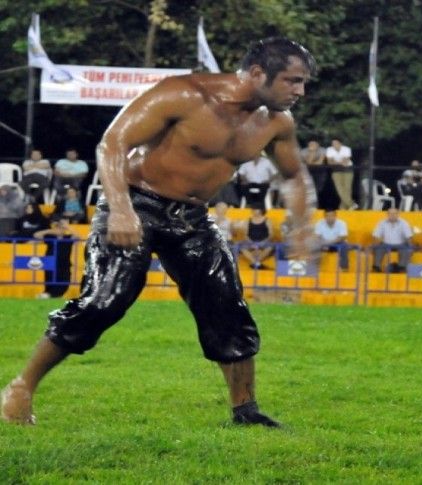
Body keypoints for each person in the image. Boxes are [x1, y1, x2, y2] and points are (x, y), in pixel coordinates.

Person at [1, 37, 318, 427]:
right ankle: (21, 387)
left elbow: (294, 176)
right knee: (105, 299)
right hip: (135, 200)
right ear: (257, 73)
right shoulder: (183, 94)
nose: (300, 91)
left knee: (225, 302)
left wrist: (302, 226)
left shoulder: (276, 123)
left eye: (303, 83)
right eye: (292, 80)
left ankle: (245, 410)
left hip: (192, 217)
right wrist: (120, 209)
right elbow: (113, 143)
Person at [33, 216, 75, 299]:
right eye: (58, 228)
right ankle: (48, 294)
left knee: (64, 280)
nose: (60, 230)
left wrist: (68, 227)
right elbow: (36, 235)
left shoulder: (68, 237)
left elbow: (78, 237)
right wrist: (50, 231)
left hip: (64, 263)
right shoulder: (50, 237)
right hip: (51, 262)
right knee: (50, 279)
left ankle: (55, 295)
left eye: (62, 228)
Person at [371, 208, 413, 273]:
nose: (393, 215)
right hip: (385, 244)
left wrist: (411, 246)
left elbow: (409, 237)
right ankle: (377, 267)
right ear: (387, 215)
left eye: (395, 213)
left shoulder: (404, 223)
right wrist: (374, 246)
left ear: (398, 214)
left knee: (407, 249)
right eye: (390, 214)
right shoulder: (382, 223)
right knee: (378, 248)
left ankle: (402, 267)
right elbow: (376, 236)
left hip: (401, 244)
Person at [326, 139, 356, 210]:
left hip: (347, 169)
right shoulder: (329, 150)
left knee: (347, 188)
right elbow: (329, 162)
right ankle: (351, 204)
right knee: (339, 188)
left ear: (340, 144)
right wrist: (338, 162)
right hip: (336, 170)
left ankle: (343, 207)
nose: (334, 145)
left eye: (336, 143)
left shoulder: (346, 149)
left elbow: (345, 162)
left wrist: (335, 162)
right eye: (333, 144)